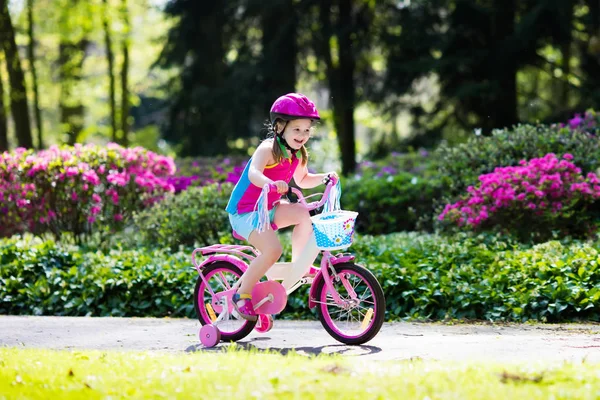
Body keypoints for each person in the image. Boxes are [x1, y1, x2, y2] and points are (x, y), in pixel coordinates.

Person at [225, 93, 338, 321]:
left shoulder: (297, 155)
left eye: (307, 130)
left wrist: (326, 177)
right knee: (273, 251)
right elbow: (254, 173)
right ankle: (241, 294)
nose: (303, 135)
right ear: (279, 127)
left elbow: (304, 179)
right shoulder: (268, 149)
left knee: (303, 213)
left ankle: (300, 266)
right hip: (245, 212)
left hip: (267, 209)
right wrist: (270, 183)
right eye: (297, 130)